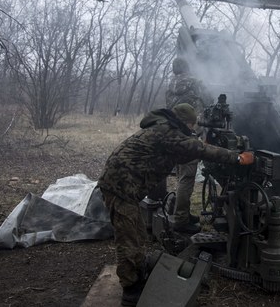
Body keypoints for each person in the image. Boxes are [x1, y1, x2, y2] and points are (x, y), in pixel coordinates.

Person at [98, 103, 254, 306]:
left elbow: (186, 149)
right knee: (128, 240)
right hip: (120, 186)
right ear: (184, 122)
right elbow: (196, 148)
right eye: (190, 125)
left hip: (125, 185)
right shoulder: (166, 132)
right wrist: (238, 158)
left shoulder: (164, 128)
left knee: (137, 234)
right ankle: (131, 291)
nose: (191, 130)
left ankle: (138, 271)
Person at [165, 57, 212, 234]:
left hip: (172, 133)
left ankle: (181, 211)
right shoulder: (195, 82)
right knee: (188, 177)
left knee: (181, 175)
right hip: (190, 132)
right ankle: (181, 219)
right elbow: (210, 101)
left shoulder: (171, 85)